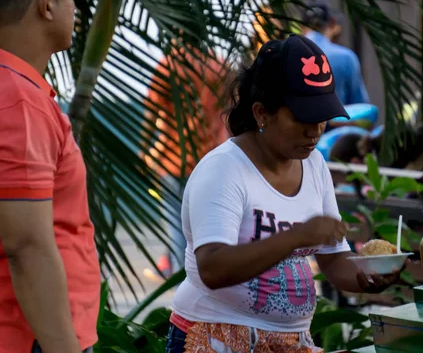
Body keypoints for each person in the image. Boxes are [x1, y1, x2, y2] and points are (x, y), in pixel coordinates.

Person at [165, 35, 406, 353]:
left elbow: (334, 260)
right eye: (303, 119)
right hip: (216, 338)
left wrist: (366, 276)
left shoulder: (315, 164)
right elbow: (213, 268)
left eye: (321, 118)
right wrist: (296, 236)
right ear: (262, 112)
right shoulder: (223, 170)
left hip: (290, 342)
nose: (315, 130)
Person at [0, 0, 100, 353]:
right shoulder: (17, 104)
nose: (75, 9)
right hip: (23, 338)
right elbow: (27, 246)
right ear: (46, 5)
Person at [142, 42, 231, 279]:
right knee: (209, 226)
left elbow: (152, 114)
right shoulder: (220, 64)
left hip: (174, 160)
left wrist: (143, 151)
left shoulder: (169, 65)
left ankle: (184, 286)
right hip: (213, 160)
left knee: (177, 228)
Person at [302, 0, 370, 107]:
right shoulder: (346, 57)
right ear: (332, 23)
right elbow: (360, 107)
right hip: (337, 124)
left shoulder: (284, 54)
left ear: (301, 26)